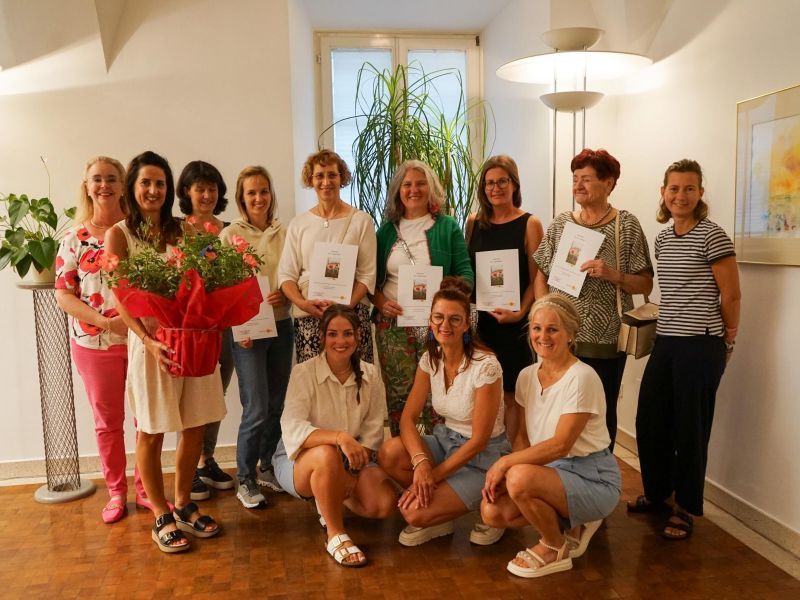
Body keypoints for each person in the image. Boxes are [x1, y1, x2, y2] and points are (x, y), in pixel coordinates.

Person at [106, 151, 223, 553]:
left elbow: (201, 282)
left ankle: (184, 502)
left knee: (195, 424)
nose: (153, 190)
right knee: (152, 430)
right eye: (146, 182)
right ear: (132, 187)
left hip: (190, 339)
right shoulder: (119, 234)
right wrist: (147, 341)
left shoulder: (182, 229)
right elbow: (121, 297)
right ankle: (160, 513)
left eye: (160, 183)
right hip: (152, 346)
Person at [629, 159, 741, 541]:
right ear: (663, 193)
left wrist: (728, 340)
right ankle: (659, 494)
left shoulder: (713, 236)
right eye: (674, 188)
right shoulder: (663, 239)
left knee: (690, 428)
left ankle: (686, 508)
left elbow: (731, 294)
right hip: (667, 341)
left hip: (701, 344)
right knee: (650, 420)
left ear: (700, 193)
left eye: (689, 188)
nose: (681, 195)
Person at [481, 294, 621, 579]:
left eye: (553, 329)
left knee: (518, 478)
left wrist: (506, 465)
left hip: (593, 476)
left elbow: (560, 445)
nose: (542, 336)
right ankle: (574, 522)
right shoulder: (526, 375)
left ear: (570, 334)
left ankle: (555, 547)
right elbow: (522, 435)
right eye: (537, 328)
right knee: (492, 512)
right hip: (552, 470)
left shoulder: (582, 377)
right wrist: (519, 469)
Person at [533, 148, 653, 450]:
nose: (578, 185)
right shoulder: (561, 223)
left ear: (609, 183)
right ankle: (556, 469)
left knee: (600, 411)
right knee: (556, 409)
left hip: (605, 340)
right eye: (575, 179)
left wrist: (614, 275)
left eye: (586, 179)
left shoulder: (625, 225)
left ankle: (600, 472)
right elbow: (541, 275)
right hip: (559, 338)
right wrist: (542, 316)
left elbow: (645, 283)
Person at [379, 277, 509, 547]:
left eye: (454, 319)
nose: (444, 325)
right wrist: (421, 464)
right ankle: (441, 513)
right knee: (389, 453)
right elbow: (408, 419)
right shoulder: (430, 358)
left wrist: (432, 476)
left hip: (482, 457)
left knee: (412, 513)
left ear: (466, 324)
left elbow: (479, 441)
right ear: (430, 320)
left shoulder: (486, 365)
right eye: (438, 317)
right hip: (446, 441)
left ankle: (493, 500)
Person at [55, 156, 149, 523]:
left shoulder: (138, 233)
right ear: (87, 186)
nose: (104, 185)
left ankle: (147, 490)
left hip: (142, 342)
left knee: (147, 419)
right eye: (97, 179)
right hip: (93, 344)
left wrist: (139, 325)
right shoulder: (73, 239)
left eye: (112, 178)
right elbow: (64, 295)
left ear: (123, 185)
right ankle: (116, 492)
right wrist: (107, 324)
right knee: (108, 423)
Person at [272, 304, 395, 567]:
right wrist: (339, 437)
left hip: (351, 457)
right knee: (326, 455)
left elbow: (373, 430)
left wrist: (351, 472)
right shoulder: (303, 372)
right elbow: (293, 428)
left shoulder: (371, 374)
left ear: (358, 335)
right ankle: (335, 533)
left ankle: (328, 495)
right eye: (333, 334)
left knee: (383, 504)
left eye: (348, 333)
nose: (341, 341)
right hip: (299, 459)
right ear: (322, 336)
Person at [373, 160, 474, 435]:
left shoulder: (447, 227)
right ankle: (403, 451)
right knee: (399, 396)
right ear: (398, 191)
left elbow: (466, 273)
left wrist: (448, 297)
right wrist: (381, 303)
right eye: (407, 184)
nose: (413, 190)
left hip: (439, 326)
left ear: (431, 189)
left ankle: (438, 451)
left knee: (439, 393)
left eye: (420, 184)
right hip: (394, 327)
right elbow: (370, 280)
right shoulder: (385, 232)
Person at [220, 166, 294, 509]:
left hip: (282, 327)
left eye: (264, 191)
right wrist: (240, 328)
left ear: (271, 194)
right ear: (242, 198)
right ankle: (245, 478)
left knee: (276, 405)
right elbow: (223, 289)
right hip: (248, 332)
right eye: (251, 193)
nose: (259, 198)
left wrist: (287, 294)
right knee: (257, 407)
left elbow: (295, 274)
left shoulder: (286, 232)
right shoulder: (230, 235)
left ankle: (267, 467)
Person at [467, 155, 543, 443]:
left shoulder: (530, 223)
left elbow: (537, 278)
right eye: (489, 183)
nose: (495, 188)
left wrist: (521, 313)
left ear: (514, 184)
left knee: (512, 394)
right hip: (480, 324)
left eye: (502, 181)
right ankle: (483, 452)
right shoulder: (473, 223)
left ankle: (512, 454)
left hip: (514, 324)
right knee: (480, 390)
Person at [278, 149, 376, 364]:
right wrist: (302, 303)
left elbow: (367, 274)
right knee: (313, 380)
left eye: (332, 175)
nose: (326, 182)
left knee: (356, 378)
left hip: (351, 316)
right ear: (310, 180)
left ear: (342, 178)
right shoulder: (299, 224)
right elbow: (286, 275)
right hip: (311, 316)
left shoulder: (362, 221)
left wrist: (346, 306)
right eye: (319, 176)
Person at [176, 160, 235, 501]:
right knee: (189, 398)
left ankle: (205, 459)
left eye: (212, 189)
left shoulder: (229, 230)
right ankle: (186, 468)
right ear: (187, 192)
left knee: (216, 394)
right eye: (200, 189)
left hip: (223, 326)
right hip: (190, 328)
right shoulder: (177, 231)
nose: (207, 195)